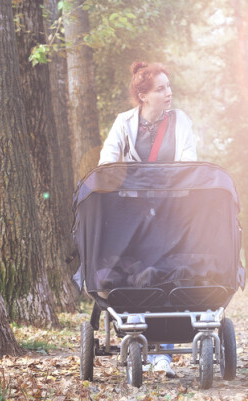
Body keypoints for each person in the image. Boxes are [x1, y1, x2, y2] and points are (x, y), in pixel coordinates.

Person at [98, 61, 199, 377]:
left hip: (170, 213)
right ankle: (136, 340)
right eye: (160, 89)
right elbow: (107, 161)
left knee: (164, 276)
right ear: (143, 95)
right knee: (134, 275)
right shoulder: (124, 123)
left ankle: (163, 355)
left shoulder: (179, 121)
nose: (168, 93)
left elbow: (189, 162)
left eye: (169, 87)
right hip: (133, 214)